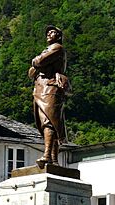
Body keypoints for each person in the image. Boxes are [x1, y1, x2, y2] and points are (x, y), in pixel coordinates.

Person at [28, 25, 70, 168]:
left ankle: (47, 156)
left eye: (52, 32)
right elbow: (31, 72)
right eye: (48, 32)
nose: (48, 34)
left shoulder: (57, 48)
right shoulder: (50, 49)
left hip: (50, 87)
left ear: (58, 36)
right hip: (42, 87)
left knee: (49, 120)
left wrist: (36, 62)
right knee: (48, 121)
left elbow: (38, 62)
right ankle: (53, 159)